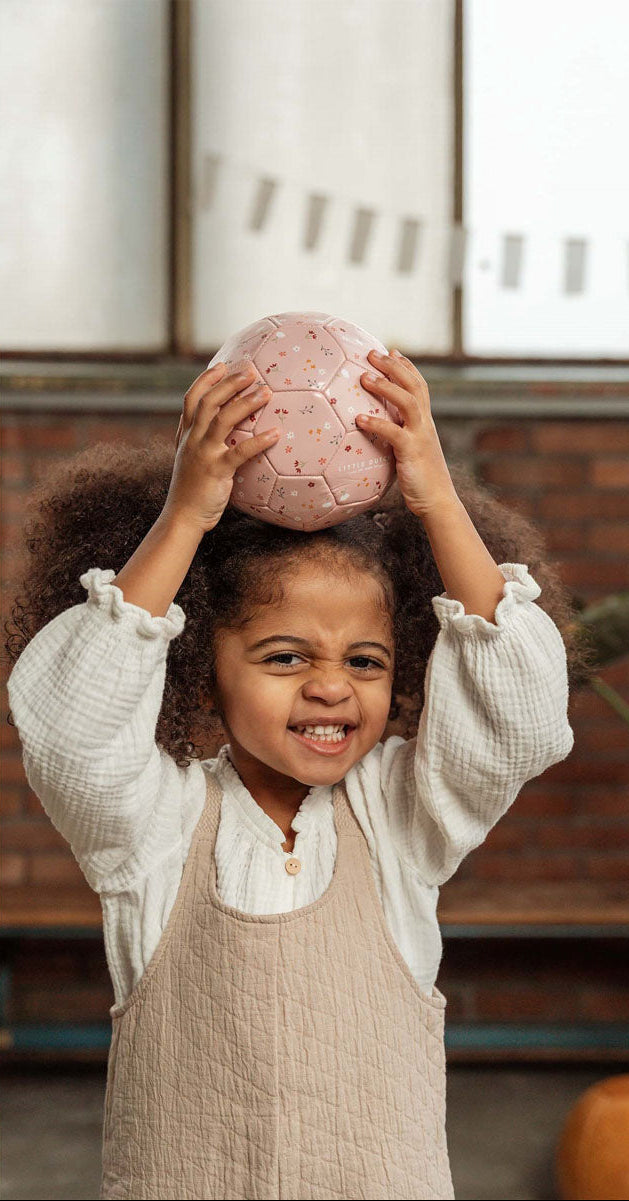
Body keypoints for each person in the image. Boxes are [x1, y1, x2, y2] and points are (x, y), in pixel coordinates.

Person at [5, 347, 589, 1199]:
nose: (330, 686)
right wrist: (184, 517)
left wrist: (434, 495)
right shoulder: (151, 830)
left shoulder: (401, 820)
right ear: (200, 670)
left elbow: (523, 718)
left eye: (365, 660)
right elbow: (69, 723)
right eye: (284, 656)